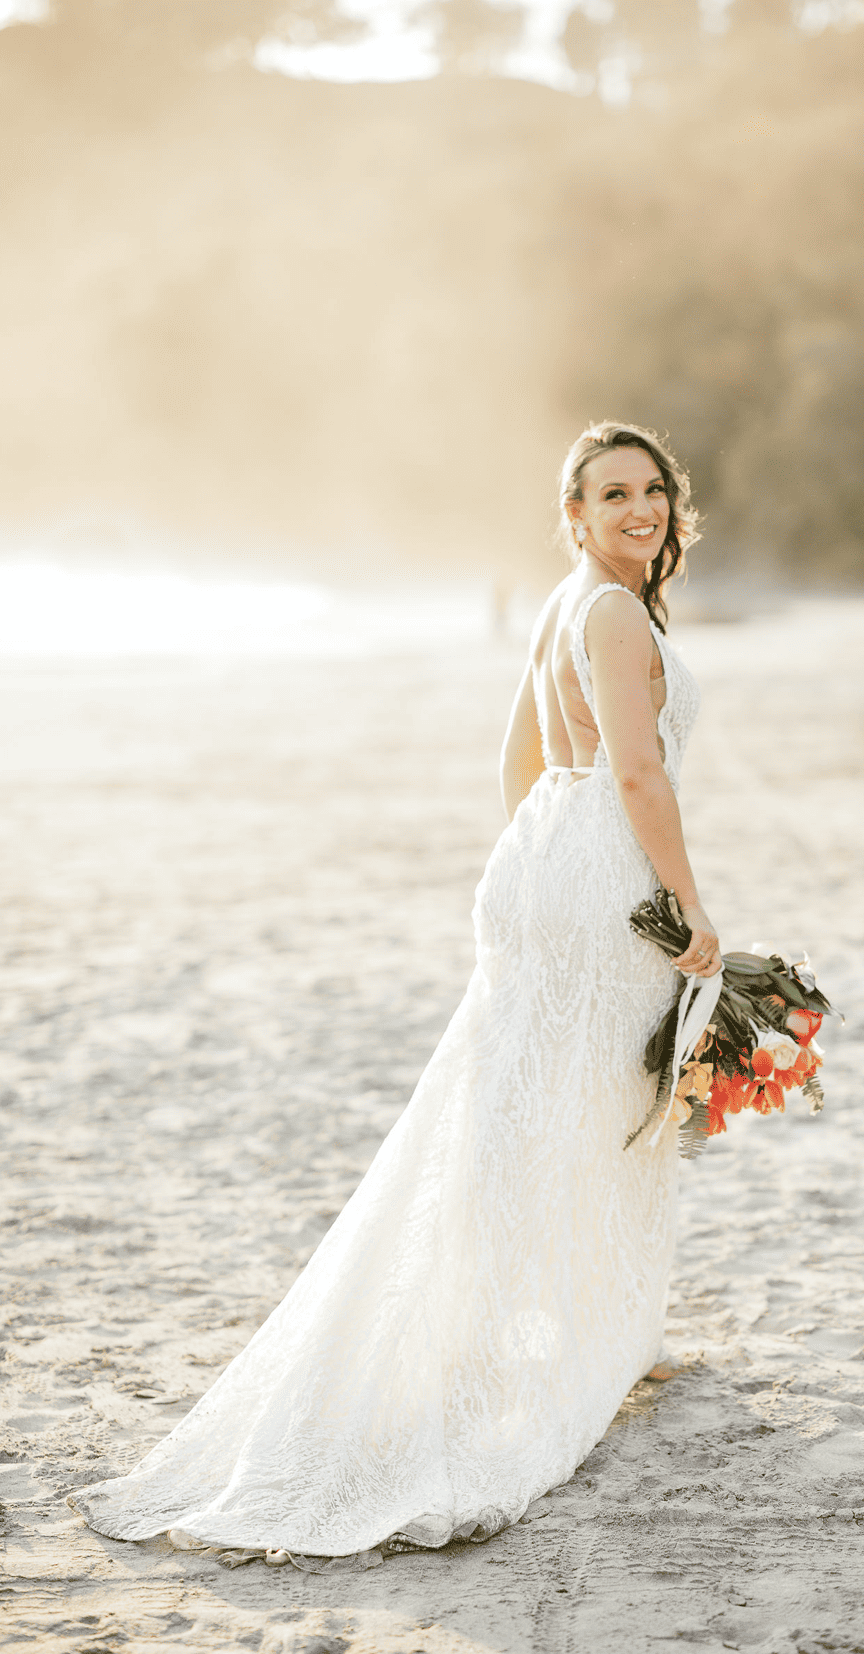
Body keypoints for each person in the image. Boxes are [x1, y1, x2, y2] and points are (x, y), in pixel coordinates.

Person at [69, 421, 723, 1567]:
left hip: (543, 862)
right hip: (606, 869)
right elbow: (635, 772)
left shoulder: (562, 602)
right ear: (571, 515)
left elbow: (521, 758)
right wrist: (688, 907)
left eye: (652, 490)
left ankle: (540, 1335)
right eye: (611, 494)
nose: (640, 510)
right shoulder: (613, 613)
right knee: (596, 1112)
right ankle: (553, 1349)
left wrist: (539, 860)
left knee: (524, 1106)